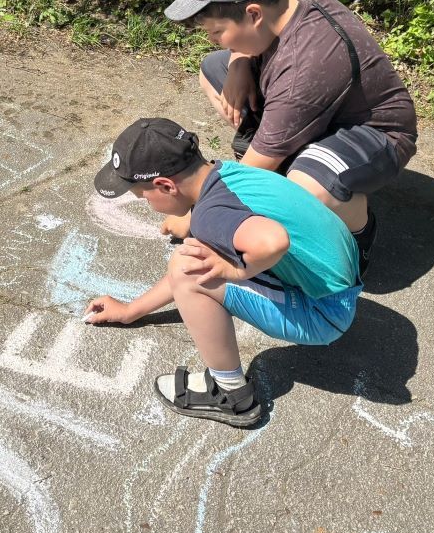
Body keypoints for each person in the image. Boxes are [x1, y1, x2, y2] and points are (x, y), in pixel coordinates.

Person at [83, 117, 361, 428]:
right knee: (192, 262)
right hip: (337, 283)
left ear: (165, 186)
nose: (144, 201)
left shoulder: (211, 215)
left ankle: (230, 395)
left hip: (324, 313)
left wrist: (238, 270)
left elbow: (273, 241)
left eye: (141, 194)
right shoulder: (224, 174)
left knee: (188, 270)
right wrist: (132, 310)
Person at [161, 0, 418, 274]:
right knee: (214, 71)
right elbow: (239, 56)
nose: (216, 41)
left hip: (377, 134)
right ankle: (286, 147)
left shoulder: (305, 70)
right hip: (316, 107)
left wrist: (194, 215)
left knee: (303, 185)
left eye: (217, 32)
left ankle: (358, 230)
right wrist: (239, 62)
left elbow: (253, 171)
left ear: (253, 13)